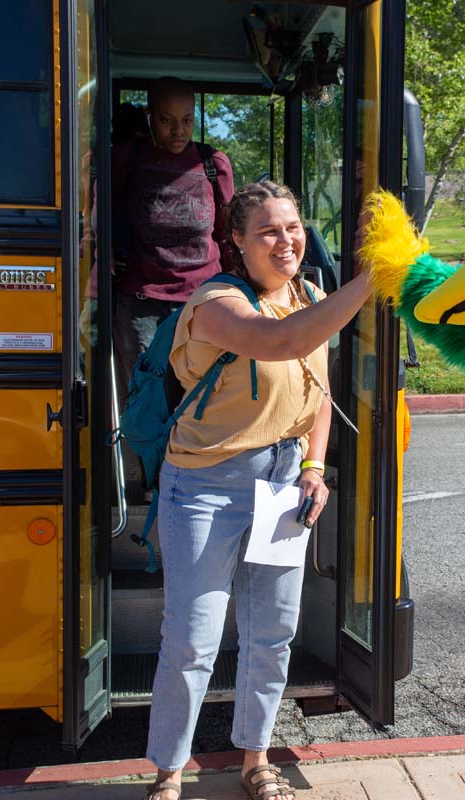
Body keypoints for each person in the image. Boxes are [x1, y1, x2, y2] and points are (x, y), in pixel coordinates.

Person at [141, 181, 375, 800]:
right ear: (236, 243)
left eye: (293, 226)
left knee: (272, 634)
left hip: (280, 486)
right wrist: (370, 282)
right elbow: (281, 343)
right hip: (204, 487)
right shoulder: (214, 303)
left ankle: (255, 759)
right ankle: (169, 772)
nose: (286, 240)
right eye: (268, 231)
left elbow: (316, 390)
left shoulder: (308, 297)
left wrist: (314, 468)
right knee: (193, 638)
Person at [110, 76, 236, 499]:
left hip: (203, 300)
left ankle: (195, 480)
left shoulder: (211, 164)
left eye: (186, 120)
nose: (178, 131)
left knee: (203, 392)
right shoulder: (129, 160)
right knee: (147, 396)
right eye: (166, 120)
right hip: (143, 298)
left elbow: (226, 233)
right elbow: (98, 210)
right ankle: (153, 482)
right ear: (149, 118)